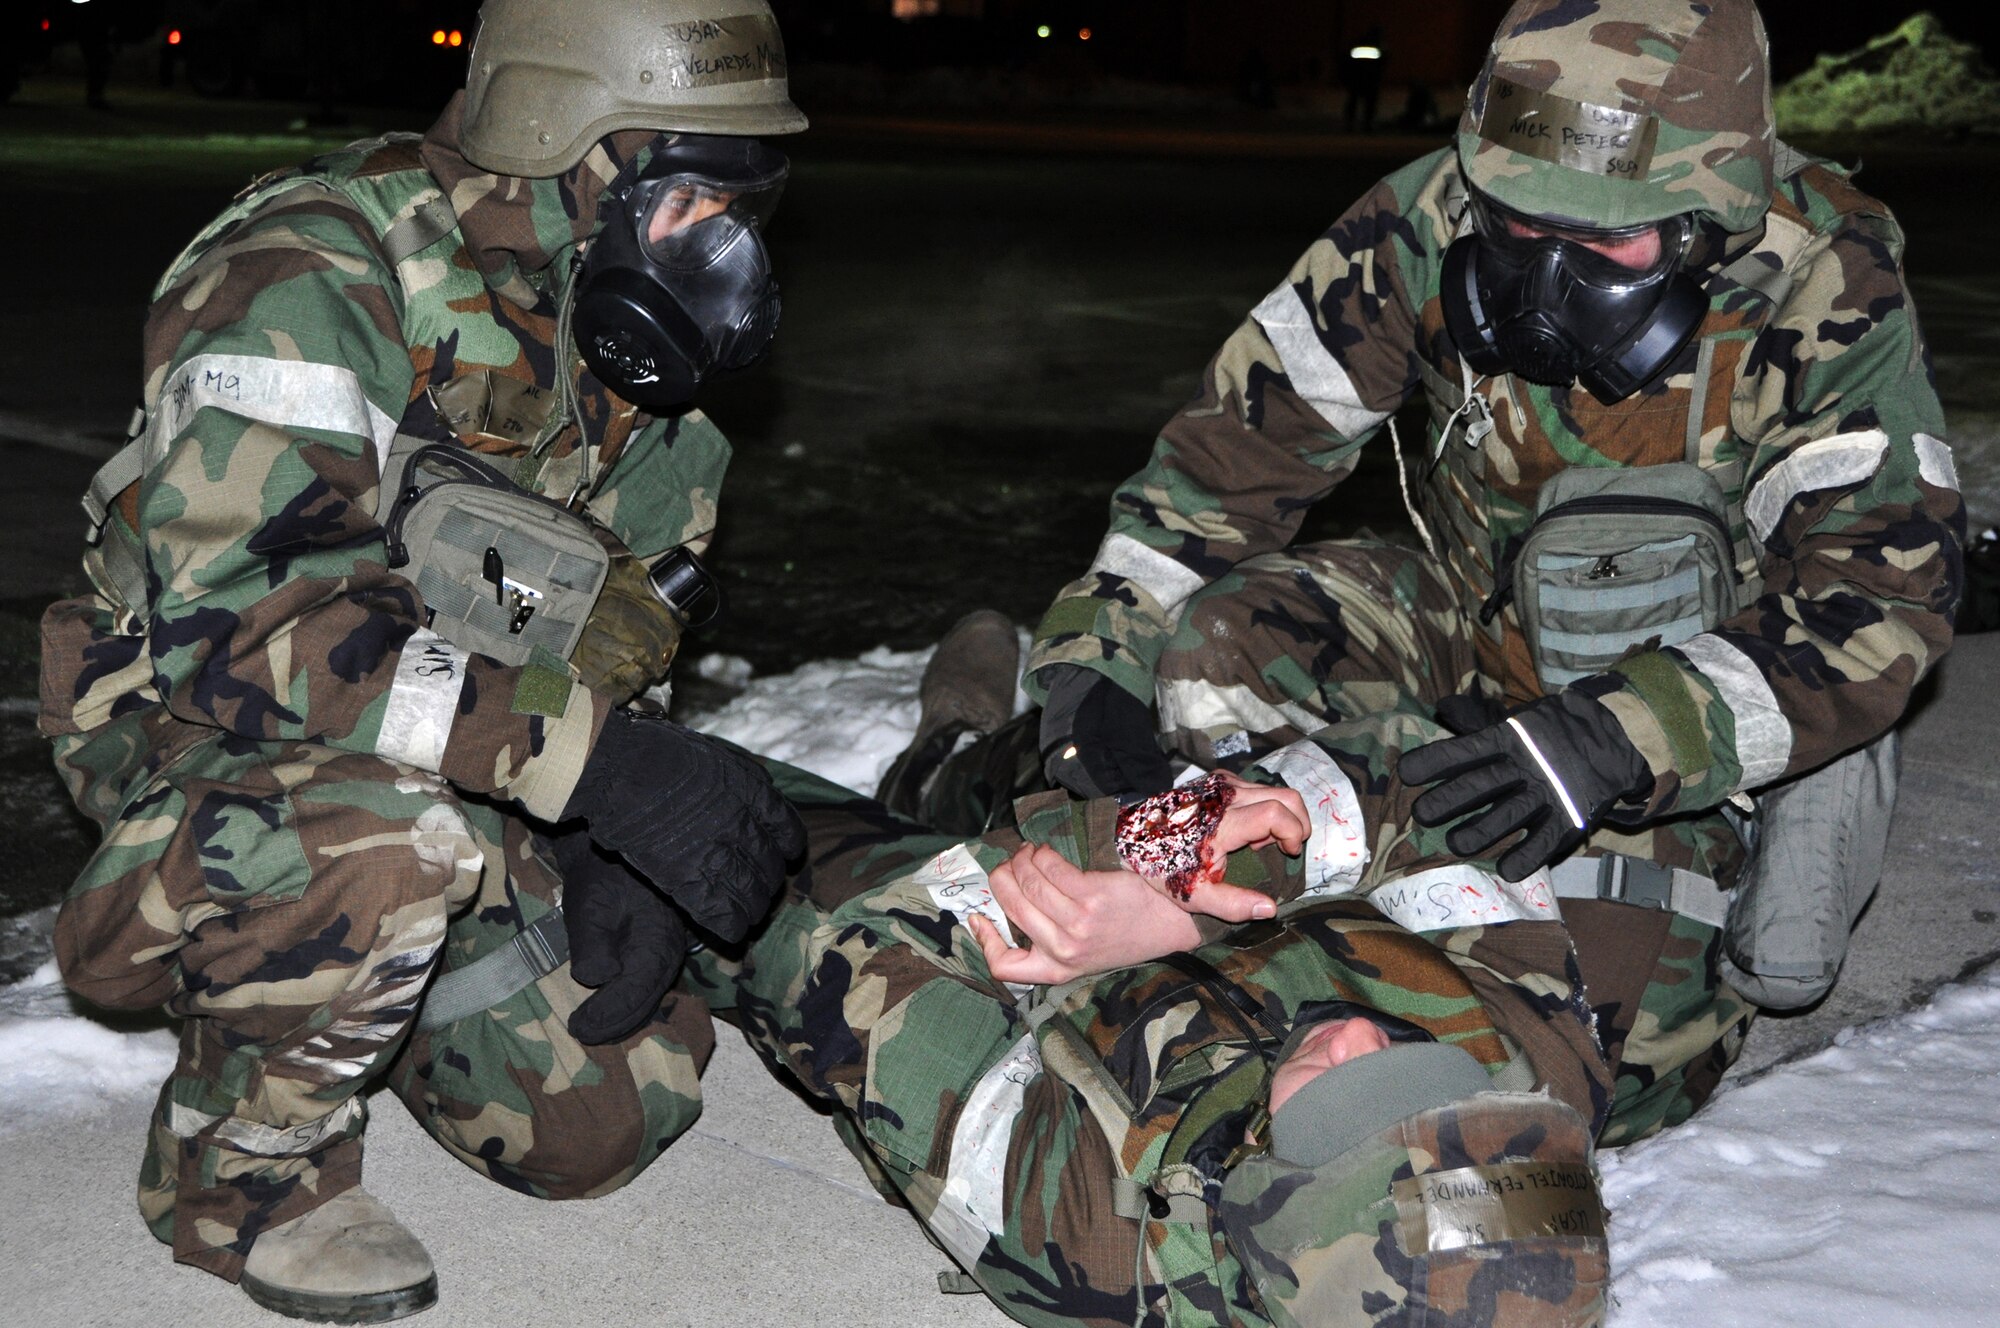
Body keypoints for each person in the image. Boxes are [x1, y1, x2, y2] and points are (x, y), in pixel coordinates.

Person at [1019, 0, 1963, 1091]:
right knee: (1207, 658)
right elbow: (1218, 473)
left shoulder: (1821, 278)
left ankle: (1364, 875)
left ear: (1713, 222)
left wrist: (1611, 739)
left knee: (1621, 1043)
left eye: (1605, 240)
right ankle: (1211, 873)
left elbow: (1873, 605)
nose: (1539, 282)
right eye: (1515, 228)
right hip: (1467, 623)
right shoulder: (1421, 219)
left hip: (1685, 708)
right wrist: (1092, 660)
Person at [38, 1, 809, 1320]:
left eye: (750, 201)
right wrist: (599, 775)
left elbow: (617, 637)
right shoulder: (310, 271)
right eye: (693, 193)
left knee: (601, 1123)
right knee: (385, 842)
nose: (723, 246)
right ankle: (245, 1175)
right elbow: (247, 635)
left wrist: (596, 840)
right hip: (195, 711)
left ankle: (363, 971)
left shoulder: (638, 380)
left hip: (449, 729)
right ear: (561, 139)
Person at [729, 695, 1700, 1328]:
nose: (1363, 1036)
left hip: (1008, 961)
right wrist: (1182, 858)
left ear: (1273, 1191)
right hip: (1201, 859)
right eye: (1435, 1084)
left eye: (1346, 1100)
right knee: (1115, 730)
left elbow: (843, 965)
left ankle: (927, 786)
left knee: (717, 828)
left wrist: (1108, 872)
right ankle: (958, 749)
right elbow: (1440, 794)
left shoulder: (1082, 1232)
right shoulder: (1535, 1061)